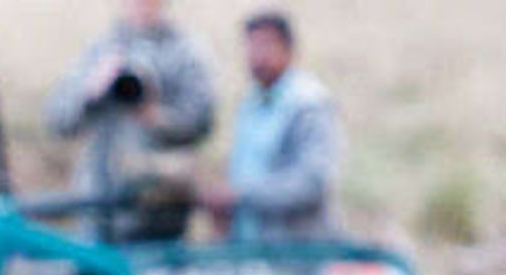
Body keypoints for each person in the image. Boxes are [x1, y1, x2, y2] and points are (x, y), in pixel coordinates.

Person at [45, 0, 216, 241]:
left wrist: (155, 117)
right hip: (99, 204)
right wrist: (91, 90)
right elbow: (58, 120)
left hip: (160, 207)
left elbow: (201, 121)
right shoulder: (100, 50)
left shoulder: (185, 52)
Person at [198, 11, 341, 240]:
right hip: (252, 248)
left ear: (288, 49)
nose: (257, 56)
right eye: (251, 47)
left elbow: (312, 183)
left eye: (265, 46)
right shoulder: (250, 103)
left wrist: (242, 195)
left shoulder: (308, 105)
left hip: (296, 252)